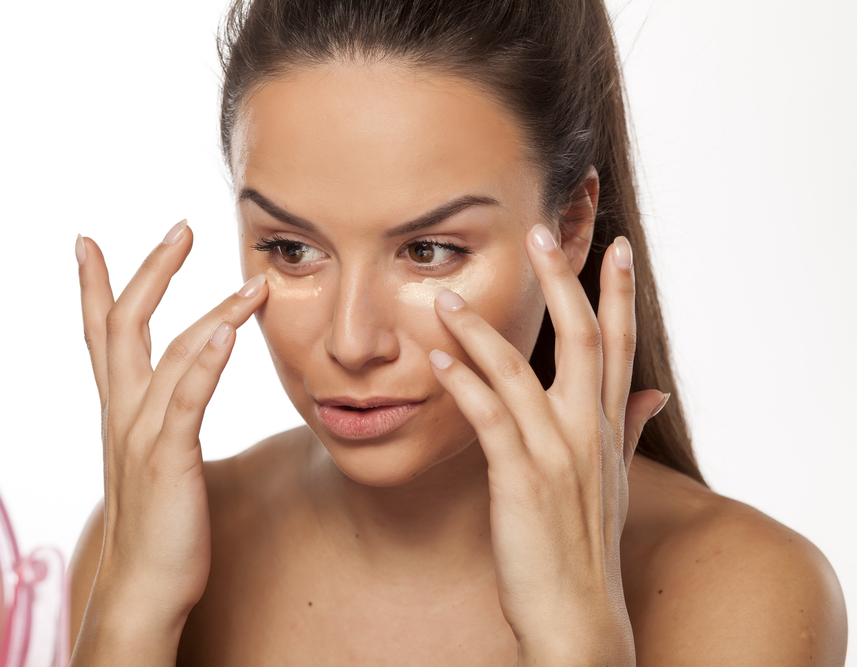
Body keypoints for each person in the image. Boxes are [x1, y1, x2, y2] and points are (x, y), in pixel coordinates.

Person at [67, 0, 848, 664]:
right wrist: (132, 611)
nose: (352, 340)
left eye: (428, 251)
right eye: (292, 249)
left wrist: (578, 632)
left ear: (571, 224)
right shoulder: (141, 549)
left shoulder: (745, 589)